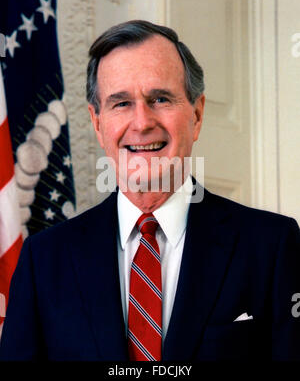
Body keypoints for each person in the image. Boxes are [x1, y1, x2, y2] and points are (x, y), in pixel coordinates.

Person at [0, 20, 299, 362]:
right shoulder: (43, 259)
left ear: (197, 115)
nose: (142, 123)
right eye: (121, 103)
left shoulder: (272, 245)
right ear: (98, 124)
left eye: (160, 98)